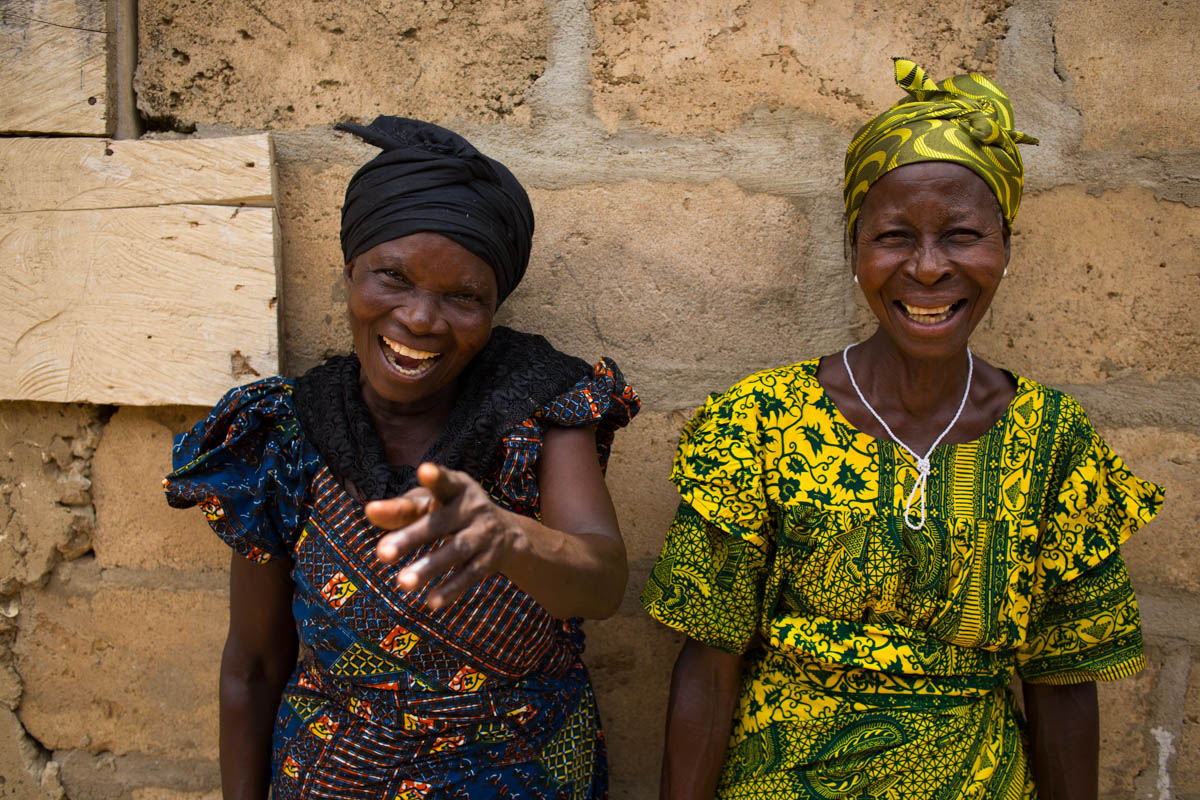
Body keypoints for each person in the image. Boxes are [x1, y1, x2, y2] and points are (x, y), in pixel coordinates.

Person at [642, 60, 1163, 800]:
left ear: (1006, 250)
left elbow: (1064, 681)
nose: (926, 269)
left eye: (961, 236)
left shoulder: (1054, 439)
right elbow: (709, 659)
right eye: (893, 237)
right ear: (855, 248)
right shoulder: (759, 421)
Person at [165, 116, 639, 800]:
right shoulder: (286, 435)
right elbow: (255, 663)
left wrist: (509, 534)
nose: (420, 318)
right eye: (393, 277)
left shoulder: (542, 404)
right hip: (335, 775)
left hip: (520, 774)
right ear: (350, 271)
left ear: (494, 305)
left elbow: (601, 581)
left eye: (463, 296)